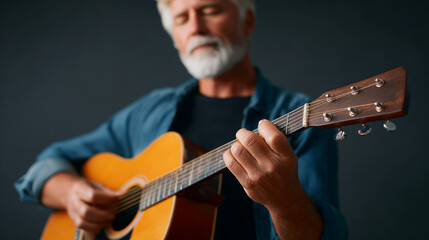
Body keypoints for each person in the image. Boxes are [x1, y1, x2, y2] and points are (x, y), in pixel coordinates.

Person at [15, 0, 348, 239]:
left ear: (247, 21)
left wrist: (286, 202)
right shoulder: (149, 111)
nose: (196, 27)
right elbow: (42, 168)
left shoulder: (301, 116)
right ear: (174, 36)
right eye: (182, 18)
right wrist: (72, 192)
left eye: (210, 10)